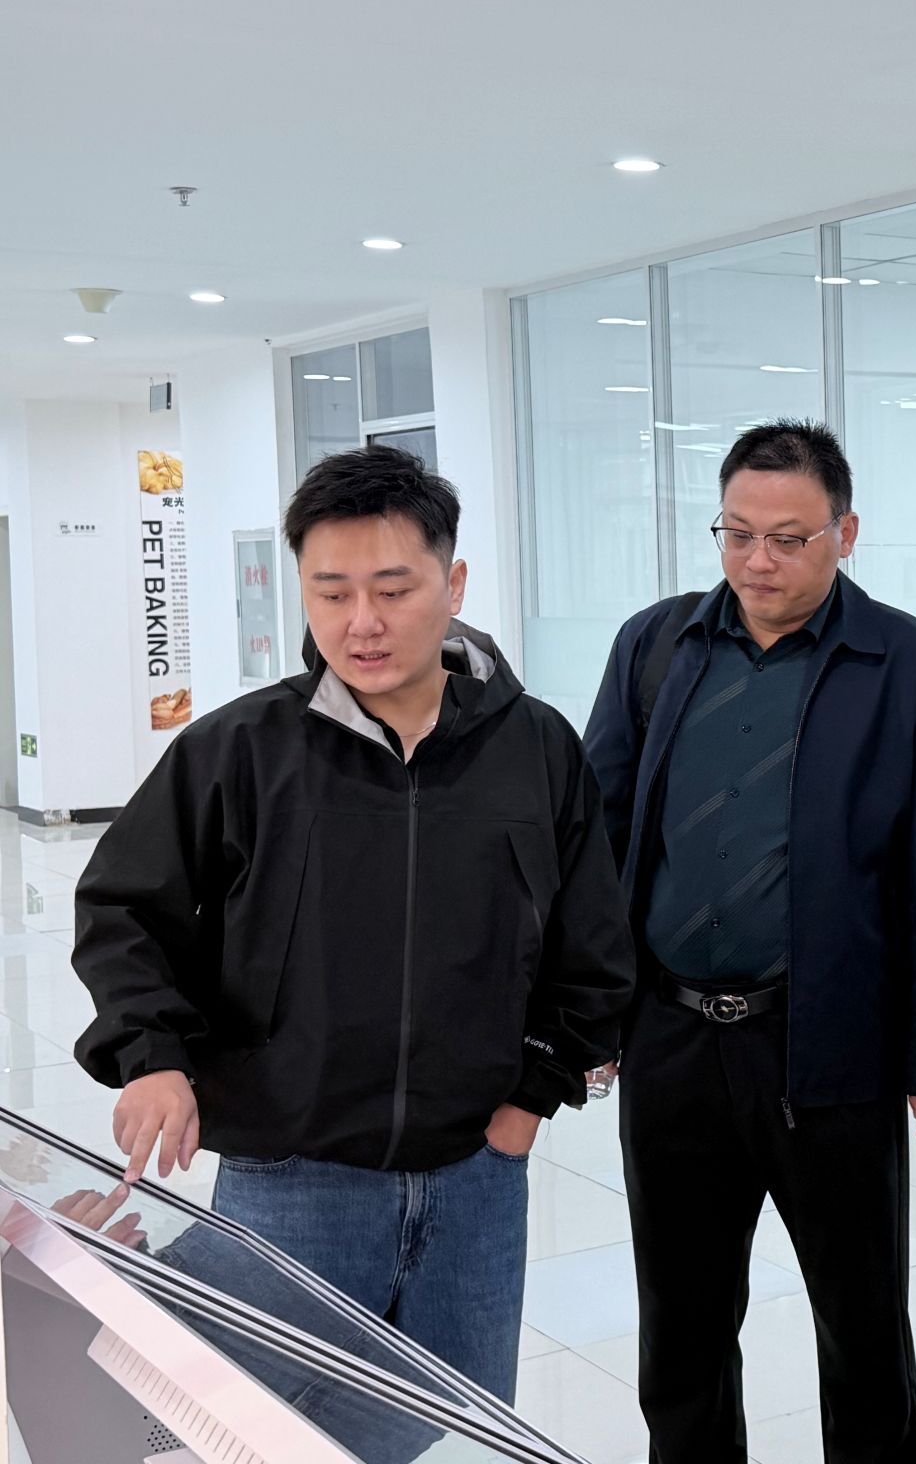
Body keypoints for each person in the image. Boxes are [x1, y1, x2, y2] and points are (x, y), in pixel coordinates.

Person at [71, 445, 636, 1401]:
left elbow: (591, 944)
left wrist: (529, 1103)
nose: (360, 622)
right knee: (262, 1426)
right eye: (329, 593)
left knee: (457, 1427)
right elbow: (122, 906)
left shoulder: (536, 747)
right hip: (290, 1178)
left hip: (474, 1177)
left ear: (454, 584)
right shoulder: (241, 749)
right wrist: (151, 1055)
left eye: (393, 589)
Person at [583, 420, 916, 1464]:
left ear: (844, 533)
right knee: (681, 1329)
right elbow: (600, 834)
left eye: (788, 538)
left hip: (827, 1047)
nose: (758, 560)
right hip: (672, 1041)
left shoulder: (907, 663)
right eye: (737, 533)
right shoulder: (655, 645)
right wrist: (590, 1012)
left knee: (862, 1329)